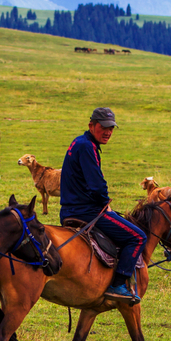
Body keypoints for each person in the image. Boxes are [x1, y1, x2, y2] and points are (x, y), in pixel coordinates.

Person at [59, 107, 146, 303]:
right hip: (87, 211)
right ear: (91, 125)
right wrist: (105, 203)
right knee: (138, 237)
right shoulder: (87, 147)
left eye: (111, 128)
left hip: (68, 209)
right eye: (103, 127)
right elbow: (97, 186)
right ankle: (118, 284)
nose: (108, 132)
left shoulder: (79, 143)